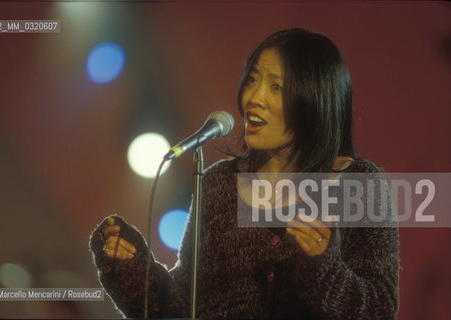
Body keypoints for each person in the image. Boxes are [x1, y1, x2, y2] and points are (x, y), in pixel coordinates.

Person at [90, 28, 399, 319]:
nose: (254, 98)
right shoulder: (219, 184)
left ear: (314, 100)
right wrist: (131, 270)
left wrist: (323, 268)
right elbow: (184, 305)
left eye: (275, 86)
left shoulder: (358, 184)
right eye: (252, 80)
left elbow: (380, 307)